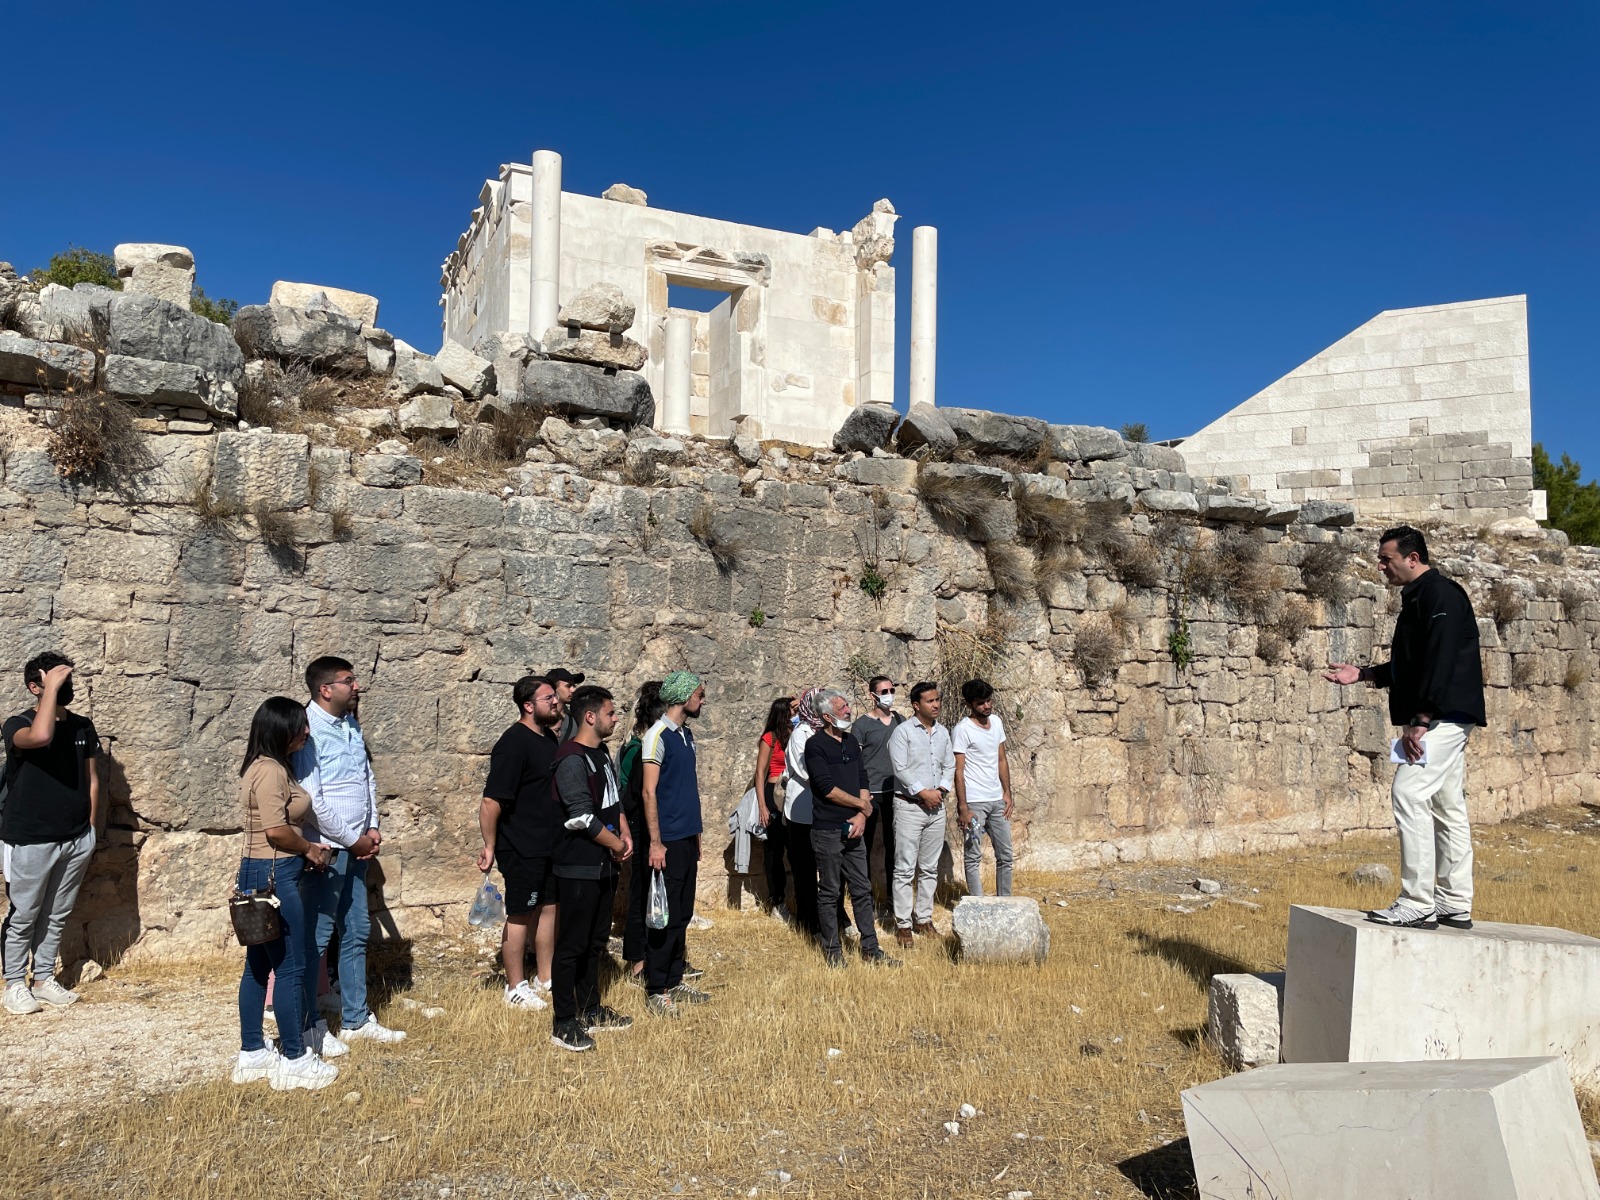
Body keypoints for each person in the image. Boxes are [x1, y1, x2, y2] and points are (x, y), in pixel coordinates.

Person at [1325, 524, 1487, 930]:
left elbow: (1440, 660)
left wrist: (1422, 720)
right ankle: (1454, 901)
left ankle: (1418, 901)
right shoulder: (1422, 597)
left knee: (1408, 792)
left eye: (1387, 559)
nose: (1381, 566)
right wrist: (1363, 674)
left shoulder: (1441, 595)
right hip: (1445, 715)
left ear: (1412, 559)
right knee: (1447, 806)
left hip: (1443, 718)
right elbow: (1413, 665)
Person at [294, 656, 405, 1056]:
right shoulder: (309, 730)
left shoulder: (350, 724)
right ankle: (309, 1025)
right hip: (328, 849)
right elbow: (312, 799)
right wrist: (349, 839)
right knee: (318, 937)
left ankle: (357, 1019)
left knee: (356, 930)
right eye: (348, 680)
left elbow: (365, 779)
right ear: (326, 689)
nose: (356, 686)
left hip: (358, 846)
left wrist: (372, 826)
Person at [233, 697, 337, 1090]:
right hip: (276, 875)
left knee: (258, 965)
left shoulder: (262, 766)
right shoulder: (273, 771)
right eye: (300, 726)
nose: (306, 732)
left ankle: (253, 1053)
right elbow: (276, 831)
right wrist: (310, 849)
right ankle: (294, 1059)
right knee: (290, 967)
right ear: (281, 729)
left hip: (259, 871)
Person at [1, 653, 101, 1016]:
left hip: (75, 838)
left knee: (57, 913)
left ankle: (42, 980)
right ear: (35, 686)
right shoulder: (17, 724)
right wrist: (51, 690)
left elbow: (91, 780)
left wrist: (89, 830)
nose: (67, 685)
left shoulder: (82, 727)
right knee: (25, 912)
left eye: (68, 678)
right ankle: (14, 983)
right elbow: (41, 737)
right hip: (30, 837)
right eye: (58, 679)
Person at [549, 685, 634, 1051]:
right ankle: (564, 1021)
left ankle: (591, 1007)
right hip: (578, 867)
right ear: (590, 716)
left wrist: (625, 834)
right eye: (611, 713)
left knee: (595, 943)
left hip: (604, 867)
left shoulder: (601, 754)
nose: (615, 719)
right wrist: (615, 844)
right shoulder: (571, 759)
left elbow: (612, 802)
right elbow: (581, 815)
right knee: (571, 946)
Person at [476, 675, 564, 1009]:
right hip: (521, 847)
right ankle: (514, 986)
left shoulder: (548, 740)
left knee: (549, 910)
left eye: (554, 696)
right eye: (548, 698)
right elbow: (490, 802)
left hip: (549, 845)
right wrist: (489, 845)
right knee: (521, 914)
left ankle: (545, 976)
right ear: (528, 706)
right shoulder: (513, 743)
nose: (555, 702)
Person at [804, 687, 898, 969]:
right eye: (842, 707)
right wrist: (863, 805)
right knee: (830, 891)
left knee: (862, 888)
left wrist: (861, 814)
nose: (848, 711)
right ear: (827, 717)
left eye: (847, 705)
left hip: (855, 828)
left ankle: (871, 949)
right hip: (828, 830)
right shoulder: (815, 745)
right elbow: (826, 788)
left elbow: (862, 776)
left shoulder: (851, 741)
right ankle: (834, 953)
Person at [640, 670, 709, 1017]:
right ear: (682, 696)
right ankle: (656, 988)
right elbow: (649, 791)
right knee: (663, 917)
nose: (702, 699)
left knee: (681, 913)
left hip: (686, 838)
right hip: (666, 840)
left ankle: (675, 978)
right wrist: (655, 842)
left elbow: (687, 788)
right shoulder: (656, 736)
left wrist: (696, 834)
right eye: (698, 693)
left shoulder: (687, 735)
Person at [888, 682, 955, 946]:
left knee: (929, 868)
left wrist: (941, 789)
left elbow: (949, 764)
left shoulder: (943, 733)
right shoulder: (902, 732)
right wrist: (922, 792)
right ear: (917, 705)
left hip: (936, 807)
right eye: (930, 701)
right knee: (904, 868)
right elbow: (900, 768)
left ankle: (923, 918)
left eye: (937, 699)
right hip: (909, 807)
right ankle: (903, 924)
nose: (936, 704)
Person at [618, 681, 664, 985]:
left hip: (647, 825)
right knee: (640, 896)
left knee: (653, 893)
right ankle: (637, 962)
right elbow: (636, 794)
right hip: (638, 825)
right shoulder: (638, 749)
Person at [953, 678, 1014, 898]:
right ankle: (977, 904)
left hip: (997, 799)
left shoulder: (996, 722)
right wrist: (963, 807)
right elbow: (958, 771)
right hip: (975, 803)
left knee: (1006, 855)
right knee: (973, 856)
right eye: (981, 703)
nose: (986, 706)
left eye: (989, 701)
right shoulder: (962, 729)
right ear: (969, 704)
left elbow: (1001, 759)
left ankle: (1004, 903)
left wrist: (1007, 793)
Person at [851, 676, 905, 910]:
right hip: (871, 792)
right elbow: (855, 762)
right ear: (872, 695)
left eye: (891, 690)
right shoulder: (861, 725)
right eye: (884, 691)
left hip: (896, 790)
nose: (889, 694)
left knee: (895, 845)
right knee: (867, 845)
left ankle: (894, 898)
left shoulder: (900, 721)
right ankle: (866, 899)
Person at [782, 689, 827, 938]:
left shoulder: (828, 732)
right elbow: (808, 771)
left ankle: (831, 917)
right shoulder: (801, 735)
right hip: (802, 812)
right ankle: (808, 922)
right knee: (805, 869)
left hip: (825, 811)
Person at [750, 696, 794, 919]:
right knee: (774, 851)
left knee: (795, 848)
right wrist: (762, 806)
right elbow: (760, 773)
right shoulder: (770, 738)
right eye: (792, 711)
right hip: (773, 794)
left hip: (793, 794)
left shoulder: (797, 735)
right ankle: (777, 901)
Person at [544, 668, 586, 743]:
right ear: (553, 688)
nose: (573, 690)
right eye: (568, 686)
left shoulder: (575, 721)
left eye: (573, 685)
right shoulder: (540, 719)